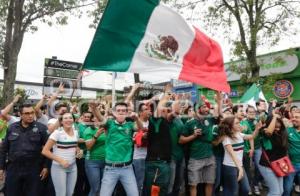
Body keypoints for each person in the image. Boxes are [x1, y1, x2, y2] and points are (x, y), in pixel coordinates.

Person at [0, 104, 49, 196]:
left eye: (32, 113)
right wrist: (1, 167)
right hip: (13, 168)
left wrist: (46, 166)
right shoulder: (12, 127)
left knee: (33, 193)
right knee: (12, 193)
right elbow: (4, 149)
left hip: (34, 168)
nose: (30, 116)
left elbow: (48, 149)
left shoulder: (41, 128)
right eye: (27, 113)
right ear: (20, 114)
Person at [95, 102, 141, 196]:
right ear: (114, 113)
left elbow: (140, 128)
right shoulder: (109, 124)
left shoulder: (130, 125)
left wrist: (136, 118)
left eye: (123, 111)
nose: (121, 113)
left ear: (127, 113)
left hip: (127, 168)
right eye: (118, 111)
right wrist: (94, 108)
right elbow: (100, 118)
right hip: (110, 168)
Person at [218, 116, 261, 196]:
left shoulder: (239, 134)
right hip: (230, 167)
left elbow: (252, 136)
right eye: (237, 123)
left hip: (239, 166)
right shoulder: (226, 138)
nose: (239, 125)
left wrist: (257, 129)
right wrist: (240, 169)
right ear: (230, 126)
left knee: (245, 189)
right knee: (233, 191)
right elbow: (233, 154)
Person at [42, 112, 79, 196]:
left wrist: (78, 151)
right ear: (61, 121)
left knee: (70, 193)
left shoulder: (76, 132)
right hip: (59, 168)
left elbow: (75, 146)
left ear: (73, 120)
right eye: (65, 118)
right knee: (61, 194)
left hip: (73, 167)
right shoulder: (57, 133)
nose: (68, 120)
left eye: (70, 118)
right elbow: (45, 151)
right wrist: (61, 160)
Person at [258, 114, 288, 196]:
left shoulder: (282, 133)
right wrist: (274, 116)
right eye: (275, 122)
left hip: (279, 165)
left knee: (281, 191)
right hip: (267, 165)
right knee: (275, 192)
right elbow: (269, 132)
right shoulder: (264, 131)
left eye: (279, 121)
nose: (278, 124)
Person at [83, 117, 106, 196]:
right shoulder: (88, 130)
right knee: (95, 189)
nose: (99, 119)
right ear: (92, 120)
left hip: (106, 162)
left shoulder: (106, 129)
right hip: (92, 162)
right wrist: (97, 135)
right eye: (96, 117)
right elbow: (88, 147)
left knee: (104, 189)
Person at [283, 110, 300, 196]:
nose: (294, 119)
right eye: (293, 117)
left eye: (297, 117)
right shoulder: (287, 131)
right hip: (291, 164)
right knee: (287, 189)